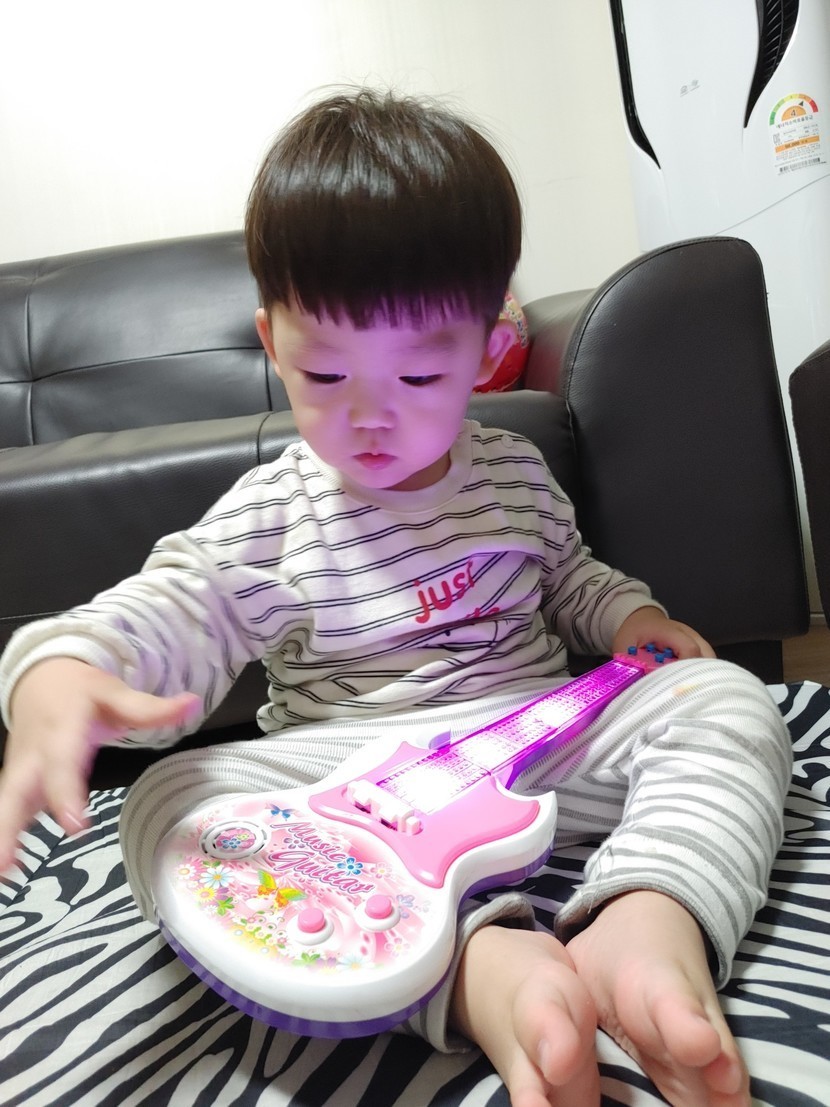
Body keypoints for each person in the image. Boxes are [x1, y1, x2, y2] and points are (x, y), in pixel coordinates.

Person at [0, 89, 790, 1107]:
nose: (370, 419)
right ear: (271, 341)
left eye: (418, 377)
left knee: (725, 700)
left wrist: (632, 621)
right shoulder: (274, 516)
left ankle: (650, 914)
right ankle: (472, 970)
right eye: (326, 375)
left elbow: (571, 578)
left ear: (485, 349)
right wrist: (68, 666)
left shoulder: (514, 476)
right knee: (163, 805)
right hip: (347, 791)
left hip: (534, 745)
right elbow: (178, 602)